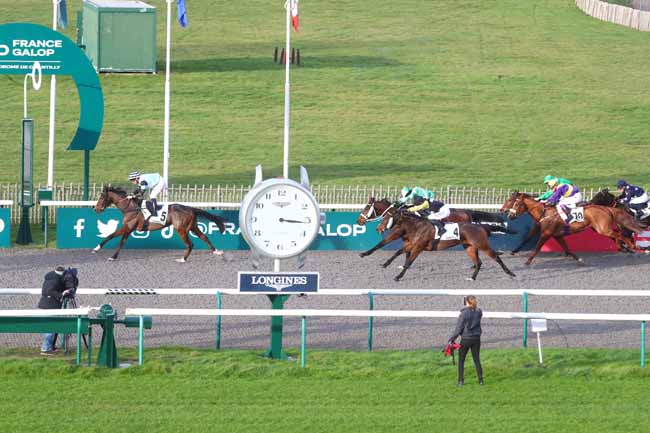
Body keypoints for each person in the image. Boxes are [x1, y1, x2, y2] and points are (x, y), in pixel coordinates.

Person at [37, 266, 78, 355]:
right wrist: (61, 294)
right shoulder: (55, 279)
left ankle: (49, 347)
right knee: (50, 327)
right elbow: (49, 291)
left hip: (46, 304)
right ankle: (45, 348)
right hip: (50, 305)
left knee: (50, 327)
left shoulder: (51, 276)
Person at [448, 295, 483, 386]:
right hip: (476, 338)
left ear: (466, 302)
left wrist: (451, 339)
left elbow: (458, 329)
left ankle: (460, 381)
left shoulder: (463, 314)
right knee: (476, 359)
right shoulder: (479, 312)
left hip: (466, 339)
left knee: (461, 360)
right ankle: (481, 380)